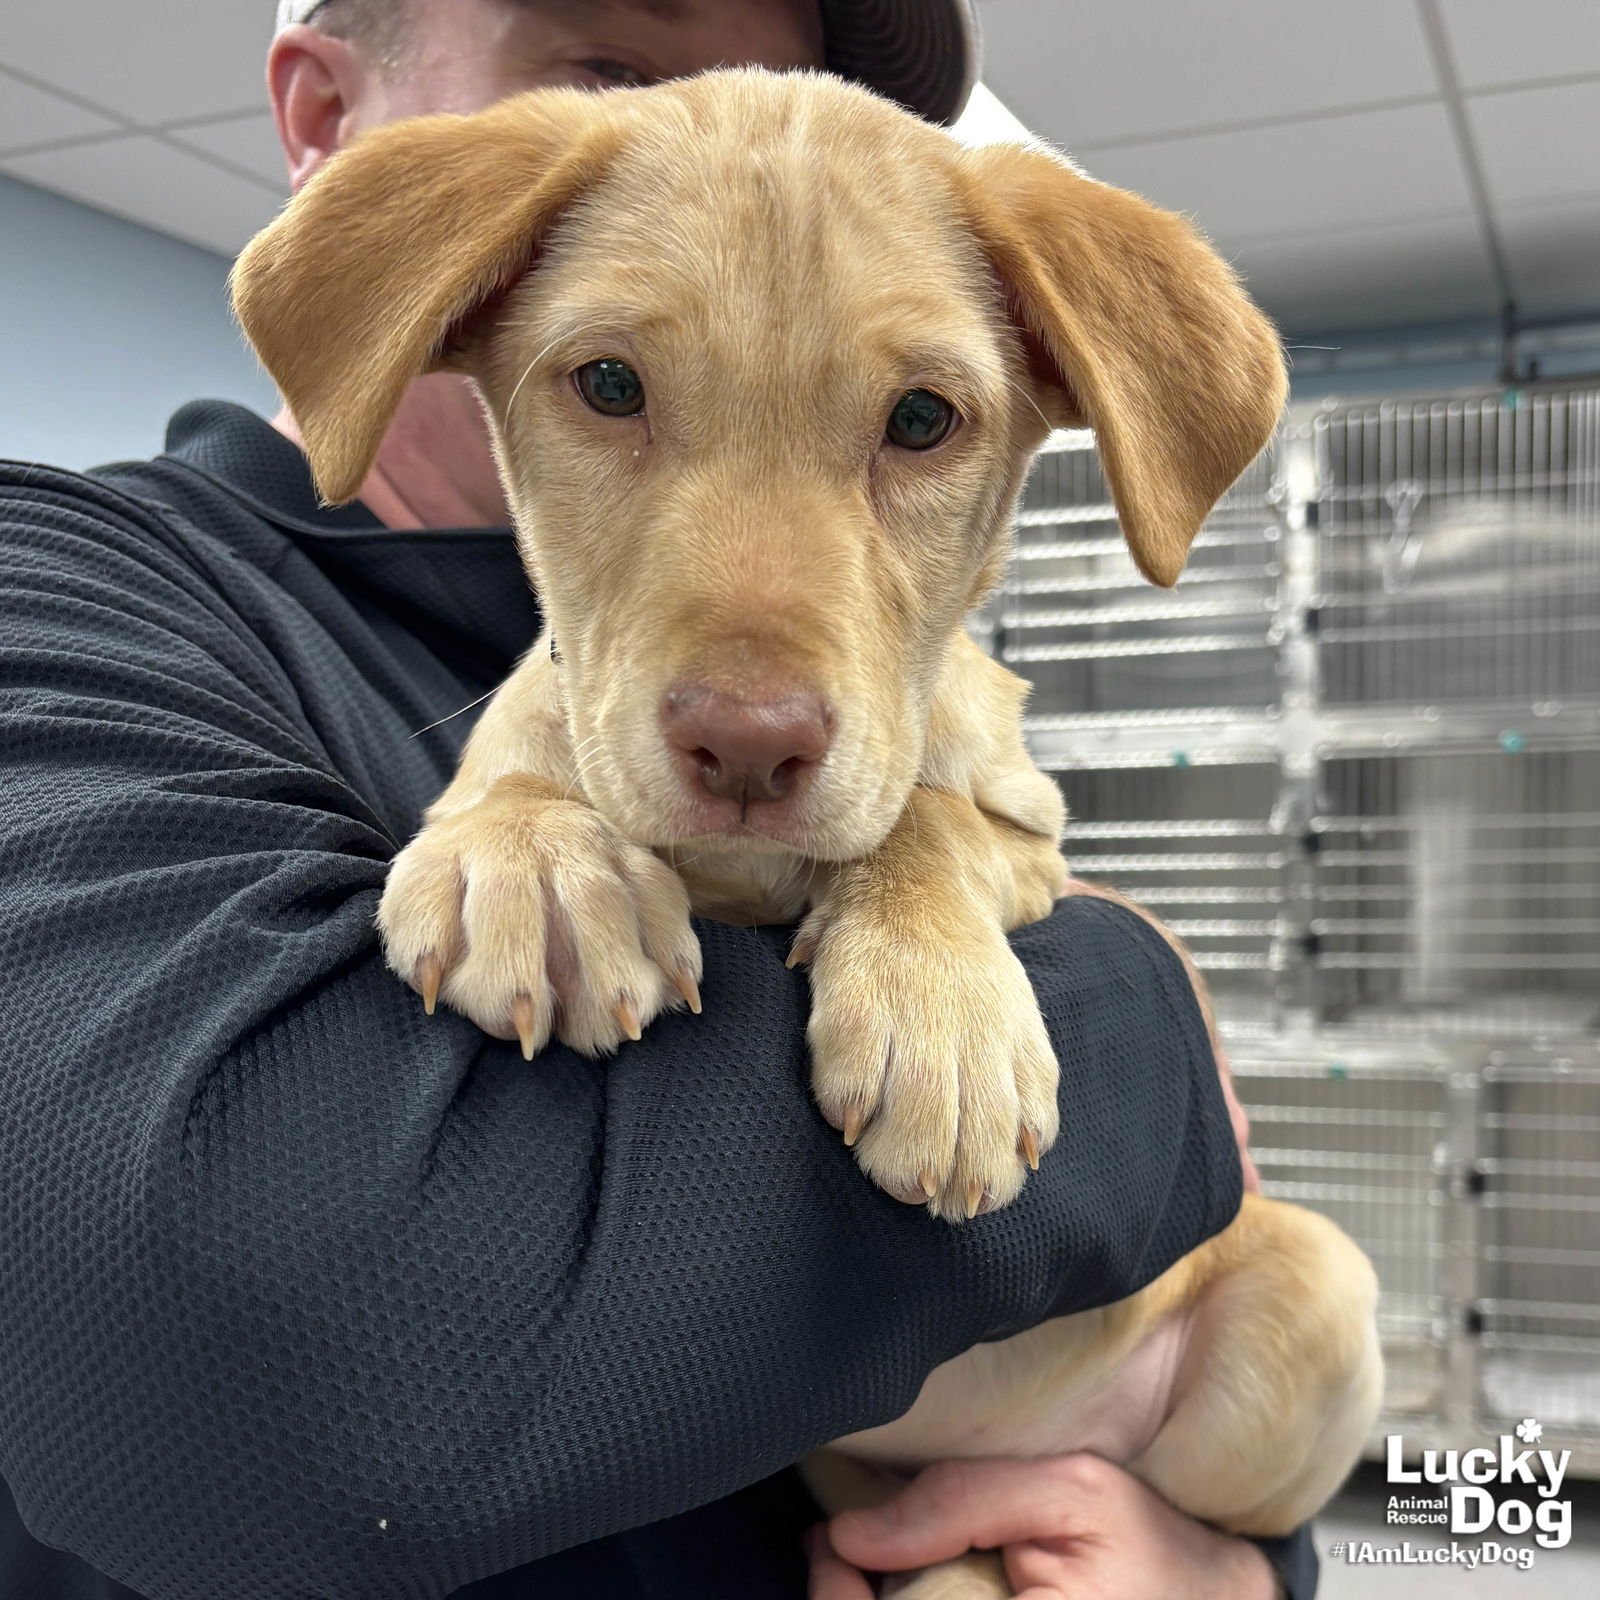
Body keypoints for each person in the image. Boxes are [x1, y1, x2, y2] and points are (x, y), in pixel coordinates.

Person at [0, 3, 1316, 1597]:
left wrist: (1230, 1570)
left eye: (917, 419)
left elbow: (1168, 1362)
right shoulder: (61, 601)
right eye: (619, 75)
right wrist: (1144, 1028)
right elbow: (232, 1360)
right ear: (326, 113)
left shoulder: (908, 705)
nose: (731, 164)